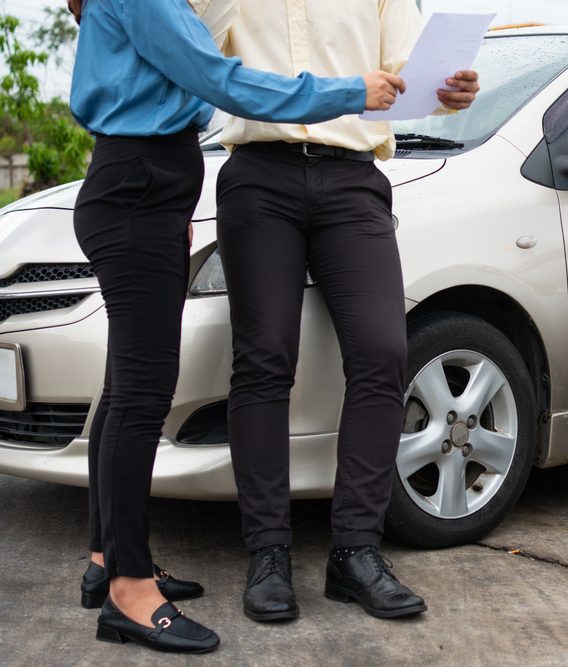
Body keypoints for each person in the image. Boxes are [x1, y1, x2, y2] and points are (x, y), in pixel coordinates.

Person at [66, 0, 407, 653]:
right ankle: (130, 592)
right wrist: (349, 92)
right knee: (141, 396)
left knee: (125, 388)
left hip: (149, 187)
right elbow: (221, 81)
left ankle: (110, 558)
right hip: (138, 188)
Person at [189, 0, 480, 622]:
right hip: (259, 175)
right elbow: (202, 61)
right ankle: (267, 553)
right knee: (264, 358)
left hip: (352, 180)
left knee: (382, 351)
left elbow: (405, 78)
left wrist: (446, 91)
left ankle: (355, 551)